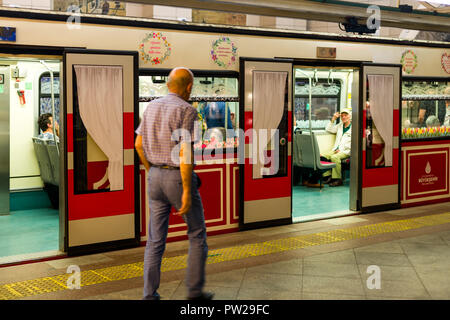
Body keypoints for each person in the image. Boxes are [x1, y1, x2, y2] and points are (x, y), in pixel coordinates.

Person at [135, 67, 213, 301]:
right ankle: (195, 292)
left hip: (155, 177)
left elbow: (138, 145)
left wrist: (152, 171)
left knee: (155, 240)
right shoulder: (186, 110)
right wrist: (188, 191)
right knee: (197, 234)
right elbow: (185, 153)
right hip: (176, 178)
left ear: (169, 85)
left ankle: (149, 295)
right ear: (189, 87)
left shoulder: (150, 107)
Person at [321, 108, 352, 187]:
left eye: (346, 115)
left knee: (334, 157)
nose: (344, 117)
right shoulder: (340, 126)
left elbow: (353, 143)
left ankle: (337, 179)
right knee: (322, 156)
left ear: (350, 116)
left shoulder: (353, 128)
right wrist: (333, 119)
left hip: (346, 151)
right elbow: (328, 129)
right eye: (342, 116)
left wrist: (341, 150)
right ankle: (327, 176)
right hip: (336, 149)